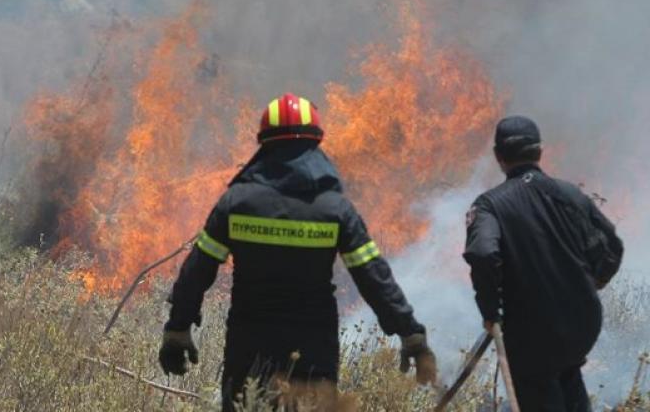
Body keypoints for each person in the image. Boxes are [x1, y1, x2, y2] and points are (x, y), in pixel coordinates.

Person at [159, 93, 436, 411]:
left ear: (264, 145)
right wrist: (410, 334)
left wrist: (177, 329)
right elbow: (373, 277)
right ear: (315, 144)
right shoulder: (334, 209)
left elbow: (197, 270)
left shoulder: (237, 203)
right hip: (313, 352)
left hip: (249, 350)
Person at [463, 116, 624, 412]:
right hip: (582, 323)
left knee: (539, 388)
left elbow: (484, 253)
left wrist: (490, 310)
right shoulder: (570, 194)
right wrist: (595, 282)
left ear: (499, 156)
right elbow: (612, 247)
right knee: (568, 373)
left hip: (530, 330)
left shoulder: (489, 206)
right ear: (540, 151)